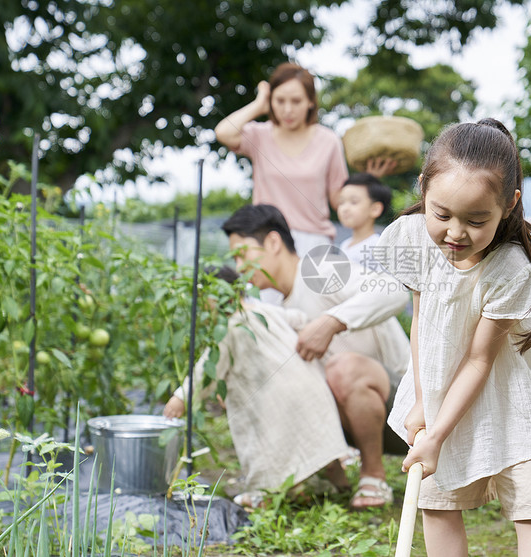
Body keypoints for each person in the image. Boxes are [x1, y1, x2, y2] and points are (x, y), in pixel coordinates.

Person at [376, 119, 531, 556]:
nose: (455, 233)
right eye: (442, 214)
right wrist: (421, 395)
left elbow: (479, 361)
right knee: (436, 500)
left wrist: (437, 434)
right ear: (423, 190)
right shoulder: (412, 240)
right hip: (449, 377)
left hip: (522, 388)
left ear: (509, 204)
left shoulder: (514, 268)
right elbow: (423, 321)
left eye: (476, 219)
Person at [164, 204, 410, 509]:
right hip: (350, 417)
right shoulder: (269, 305)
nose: (239, 268)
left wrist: (331, 322)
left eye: (242, 254)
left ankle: (373, 476)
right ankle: (323, 479)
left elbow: (395, 291)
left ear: (273, 243)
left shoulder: (319, 268)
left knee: (342, 368)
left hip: (406, 412)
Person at [214, 62, 397, 256]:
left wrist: (368, 181)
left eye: (296, 101)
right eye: (280, 100)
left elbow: (338, 199)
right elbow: (223, 132)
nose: (287, 110)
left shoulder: (328, 140)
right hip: (267, 240)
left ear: (310, 101)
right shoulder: (260, 135)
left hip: (313, 243)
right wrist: (259, 104)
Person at [336, 173, 392, 270]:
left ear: (375, 209)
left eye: (354, 202)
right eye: (341, 202)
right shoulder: (344, 245)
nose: (344, 208)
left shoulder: (377, 248)